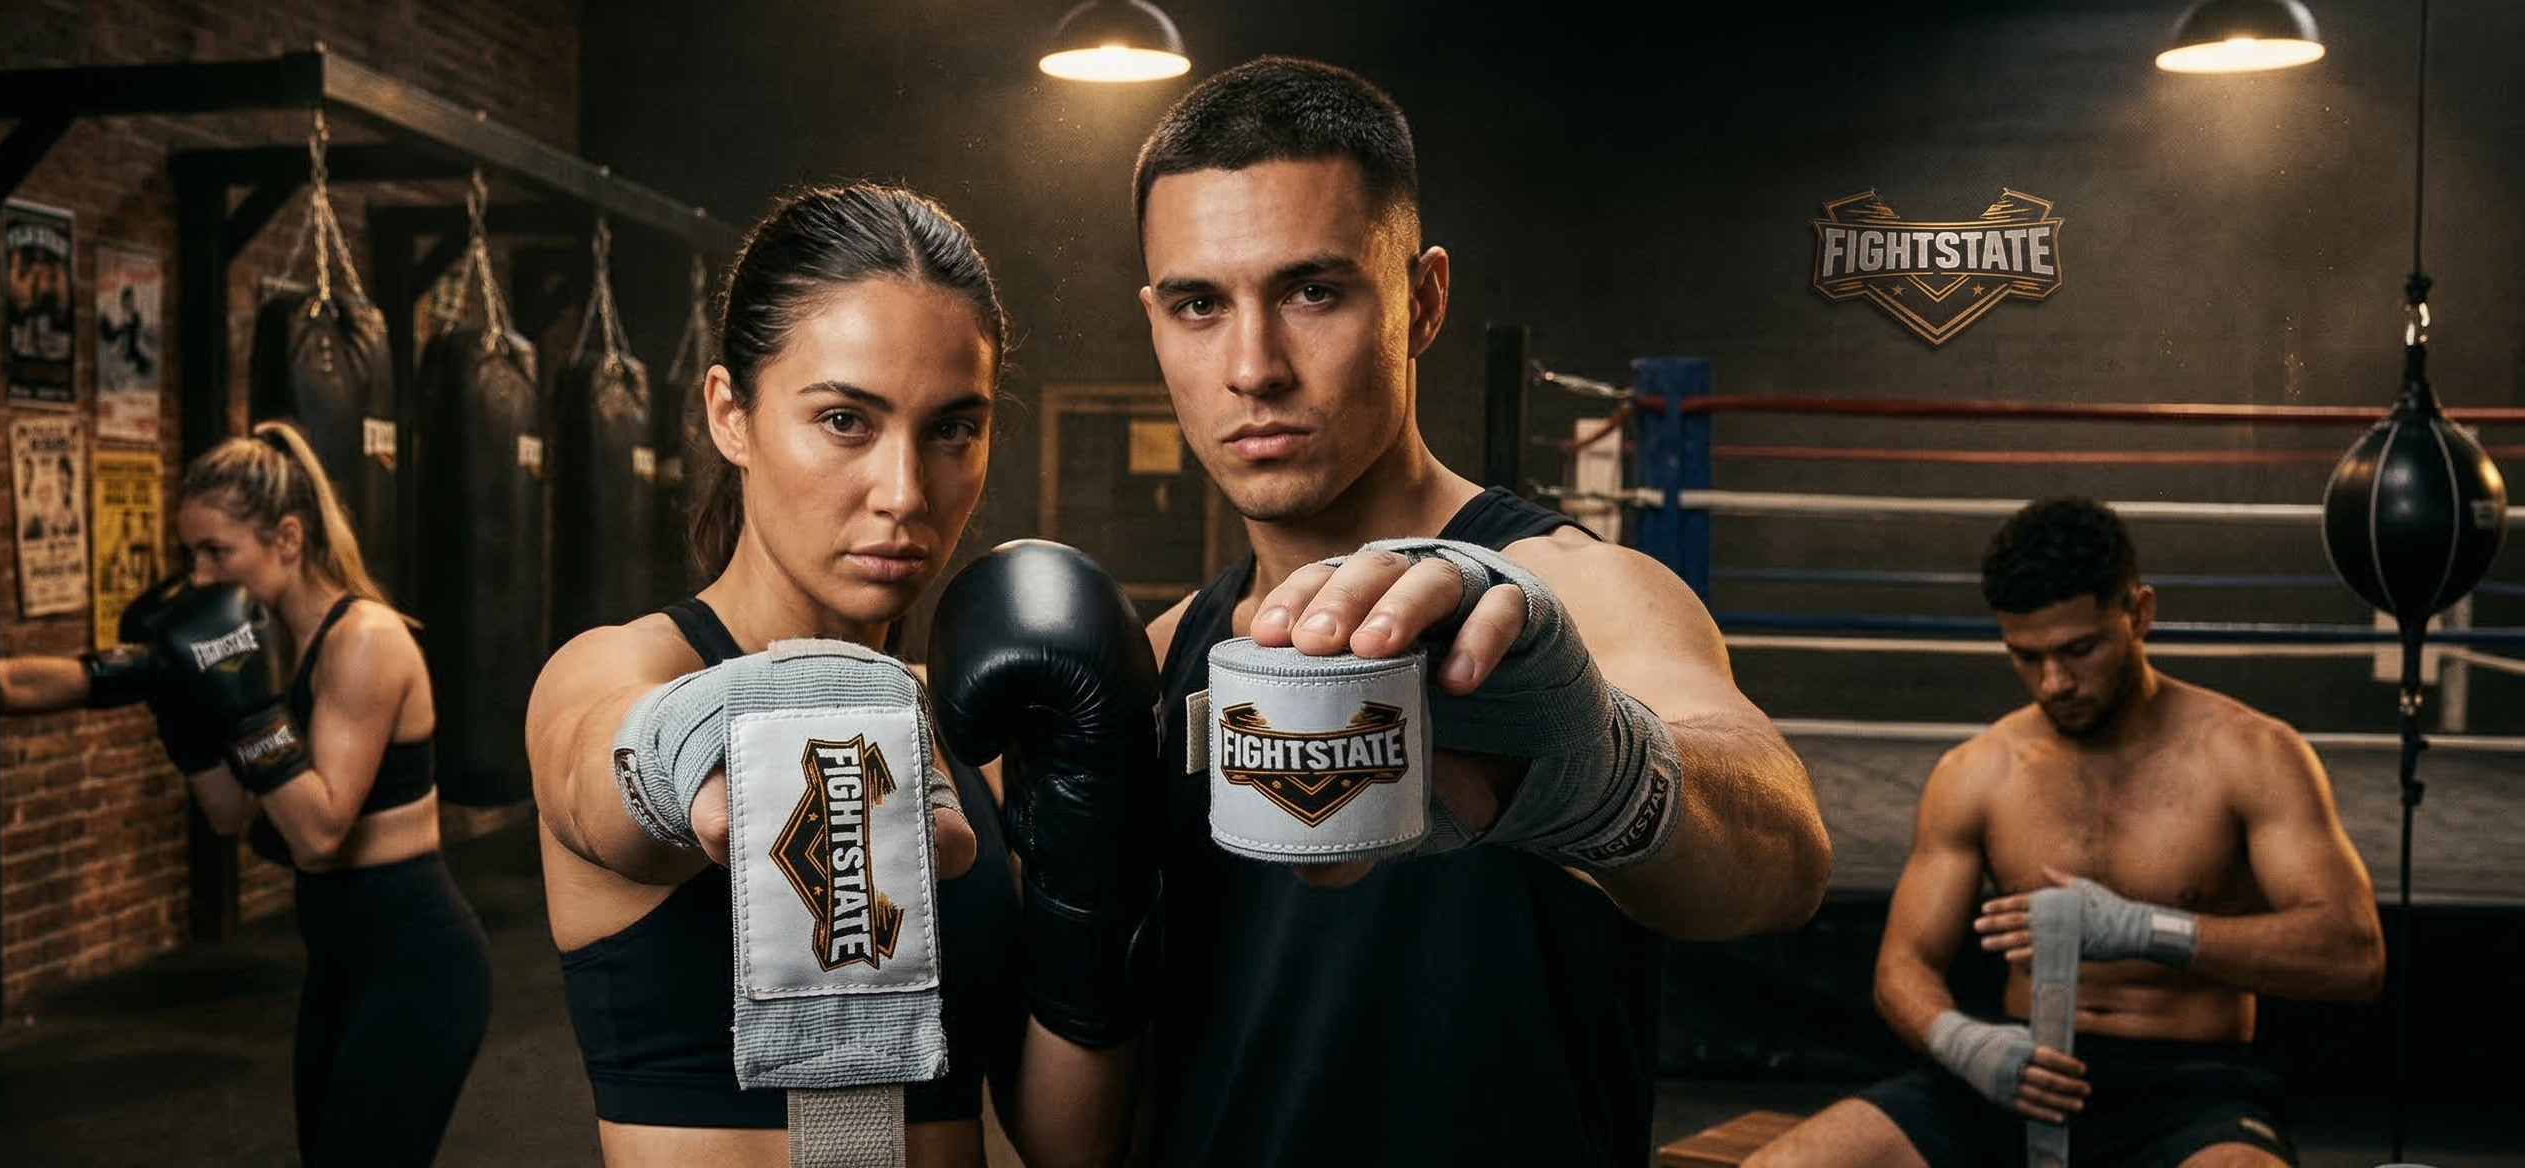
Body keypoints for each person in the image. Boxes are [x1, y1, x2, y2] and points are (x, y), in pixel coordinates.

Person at [1112, 58, 1831, 1165]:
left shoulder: (1577, 593)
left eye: (1313, 291)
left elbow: (1787, 857)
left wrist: (1596, 767)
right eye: (1199, 305)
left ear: (1424, 300)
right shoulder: (1164, 656)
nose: (1252, 367)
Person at [531, 184, 1069, 1167]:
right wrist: (698, 753)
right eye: (845, 420)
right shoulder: (623, 668)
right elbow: (600, 770)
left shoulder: (975, 730)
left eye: (952, 429)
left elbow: (1071, 1142)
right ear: (730, 415)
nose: (904, 492)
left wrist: (1104, 897)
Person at [1745, 499, 2382, 1168]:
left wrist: (2150, 930)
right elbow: (1903, 966)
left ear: (2139, 614)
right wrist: (1963, 1043)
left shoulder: (2252, 756)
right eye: (2026, 656)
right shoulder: (1978, 771)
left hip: (2188, 1093)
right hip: (2013, 1073)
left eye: (2080, 650)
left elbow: (2354, 955)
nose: (2054, 683)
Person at [0, 421, 487, 1166]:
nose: (200, 577)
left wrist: (248, 712)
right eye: (191, 554)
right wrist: (184, 714)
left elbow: (318, 835)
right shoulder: (272, 642)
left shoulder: (364, 641)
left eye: (217, 552)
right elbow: (233, 815)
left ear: (287, 539)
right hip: (341, 963)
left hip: (415, 963)